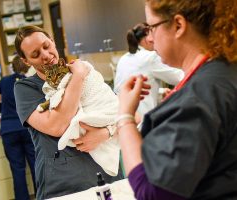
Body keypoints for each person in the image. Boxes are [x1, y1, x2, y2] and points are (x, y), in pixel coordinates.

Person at [117, 0, 237, 200]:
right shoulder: (225, 71)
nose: (151, 38)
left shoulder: (200, 95)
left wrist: (125, 117)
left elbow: (153, 193)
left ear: (178, 25)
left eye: (152, 27)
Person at [13, 25, 123, 200]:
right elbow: (57, 125)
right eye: (35, 54)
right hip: (64, 183)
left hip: (106, 176)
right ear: (26, 61)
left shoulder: (88, 74)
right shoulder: (26, 88)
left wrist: (106, 132)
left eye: (46, 46)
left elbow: (122, 113)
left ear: (53, 42)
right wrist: (77, 76)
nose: (46, 55)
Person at [114, 23, 184, 118]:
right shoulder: (149, 57)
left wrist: (160, 92)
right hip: (143, 119)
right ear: (148, 39)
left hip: (124, 115)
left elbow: (128, 89)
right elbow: (179, 77)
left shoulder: (123, 58)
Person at [0, 55, 36, 200]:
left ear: (12, 67)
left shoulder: (4, 81)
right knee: (37, 166)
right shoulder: (30, 81)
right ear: (28, 65)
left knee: (17, 169)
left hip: (9, 130)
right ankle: (43, 196)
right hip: (27, 129)